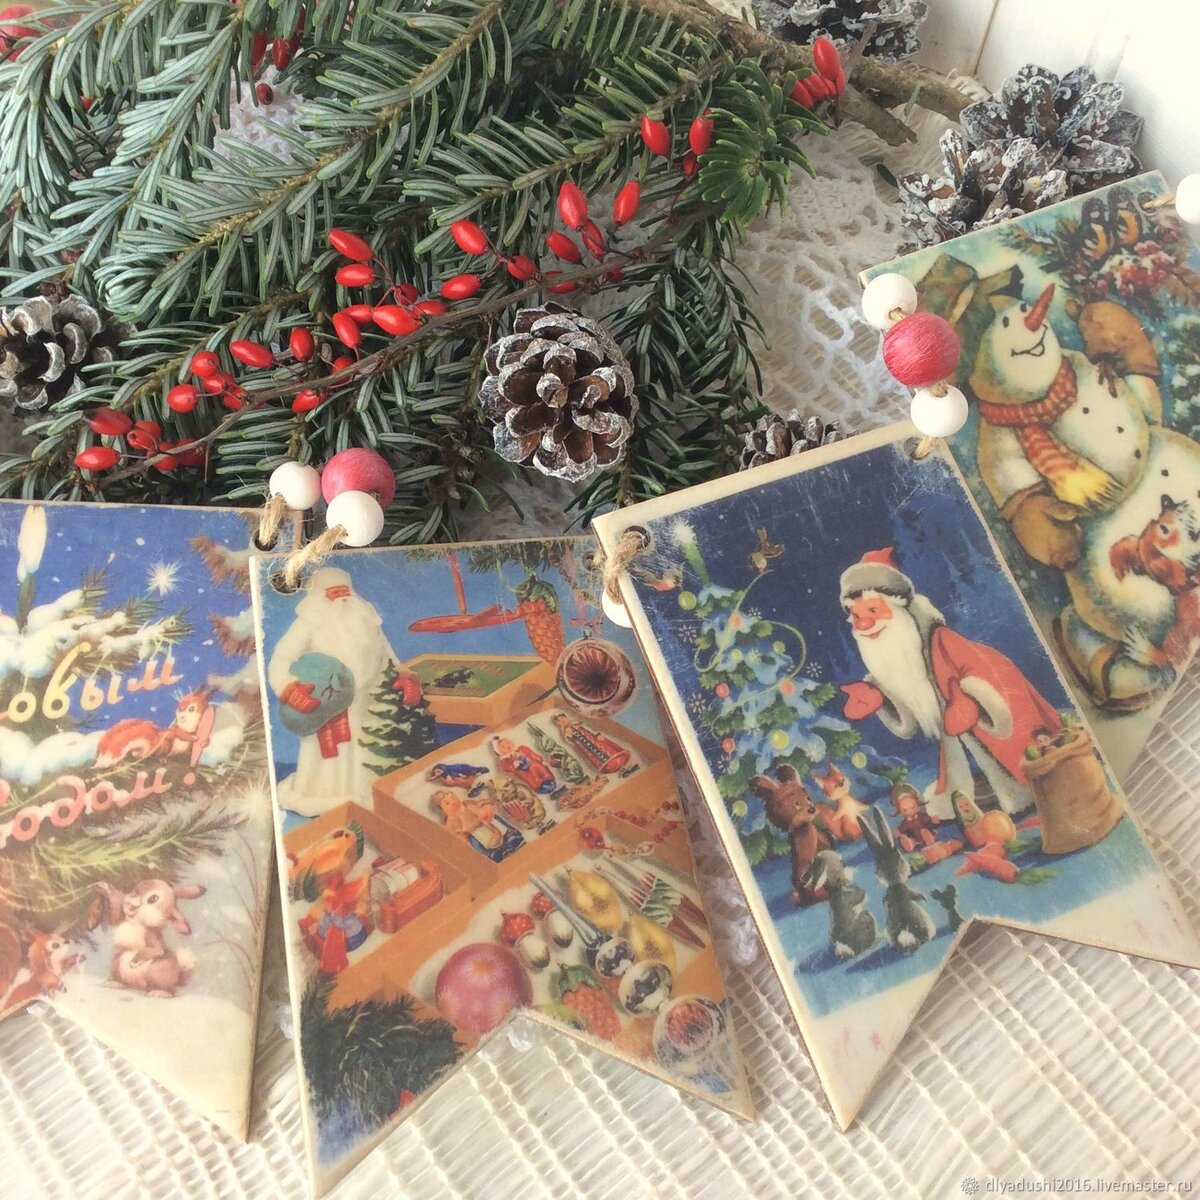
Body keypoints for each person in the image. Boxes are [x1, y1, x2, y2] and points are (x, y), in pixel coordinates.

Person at [839, 548, 1062, 819]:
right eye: (855, 615)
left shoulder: (940, 640)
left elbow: (987, 671)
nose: (863, 623)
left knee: (1037, 771)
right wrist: (881, 699)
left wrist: (971, 701)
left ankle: (1023, 784)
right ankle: (972, 791)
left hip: (997, 713)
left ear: (897, 607)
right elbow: (910, 706)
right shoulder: (901, 657)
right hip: (957, 728)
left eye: (873, 610)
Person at [268, 566, 398, 816]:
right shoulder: (308, 623)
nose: (341, 598)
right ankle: (325, 795)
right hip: (327, 705)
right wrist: (289, 688)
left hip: (367, 704)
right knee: (330, 759)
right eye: (333, 591)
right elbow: (281, 658)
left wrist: (401, 676)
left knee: (365, 753)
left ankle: (365, 793)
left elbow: (385, 653)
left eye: (345, 591)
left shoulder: (366, 619)